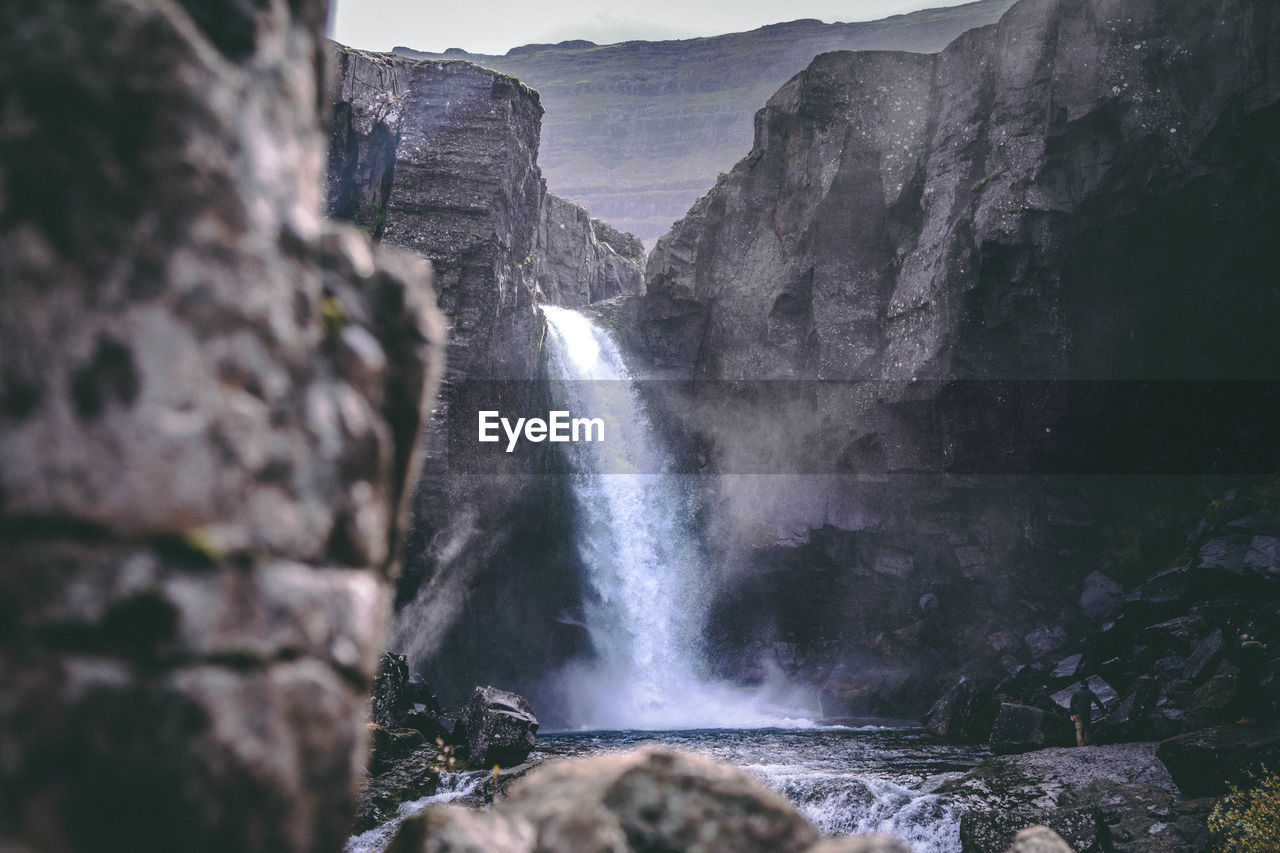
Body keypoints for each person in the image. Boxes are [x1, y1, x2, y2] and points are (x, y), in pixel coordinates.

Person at [1235, 633, 1266, 725]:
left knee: (1245, 696)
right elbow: (1262, 662)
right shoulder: (1259, 648)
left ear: (1243, 641)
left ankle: (1245, 718)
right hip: (1255, 675)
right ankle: (1253, 718)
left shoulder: (1244, 648)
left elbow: (1238, 660)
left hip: (1246, 675)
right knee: (1254, 695)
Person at [1069, 681, 1106, 746]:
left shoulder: (1076, 693)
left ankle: (1080, 745)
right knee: (1087, 729)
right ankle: (1086, 744)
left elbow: (1072, 704)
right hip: (1087, 714)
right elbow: (1098, 703)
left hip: (1078, 714)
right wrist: (1105, 712)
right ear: (1087, 685)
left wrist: (1072, 714)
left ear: (1080, 685)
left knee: (1078, 730)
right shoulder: (1090, 693)